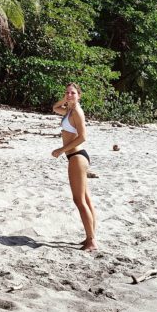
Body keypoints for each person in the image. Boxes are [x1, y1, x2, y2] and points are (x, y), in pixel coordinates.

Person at [51, 83, 97, 251]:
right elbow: (55, 108)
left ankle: (91, 241)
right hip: (77, 157)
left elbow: (83, 137)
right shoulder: (69, 110)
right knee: (86, 199)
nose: (69, 95)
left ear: (79, 95)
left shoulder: (77, 112)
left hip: (77, 157)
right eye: (67, 92)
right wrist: (65, 99)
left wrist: (61, 150)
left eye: (73, 93)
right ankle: (90, 236)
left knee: (79, 200)